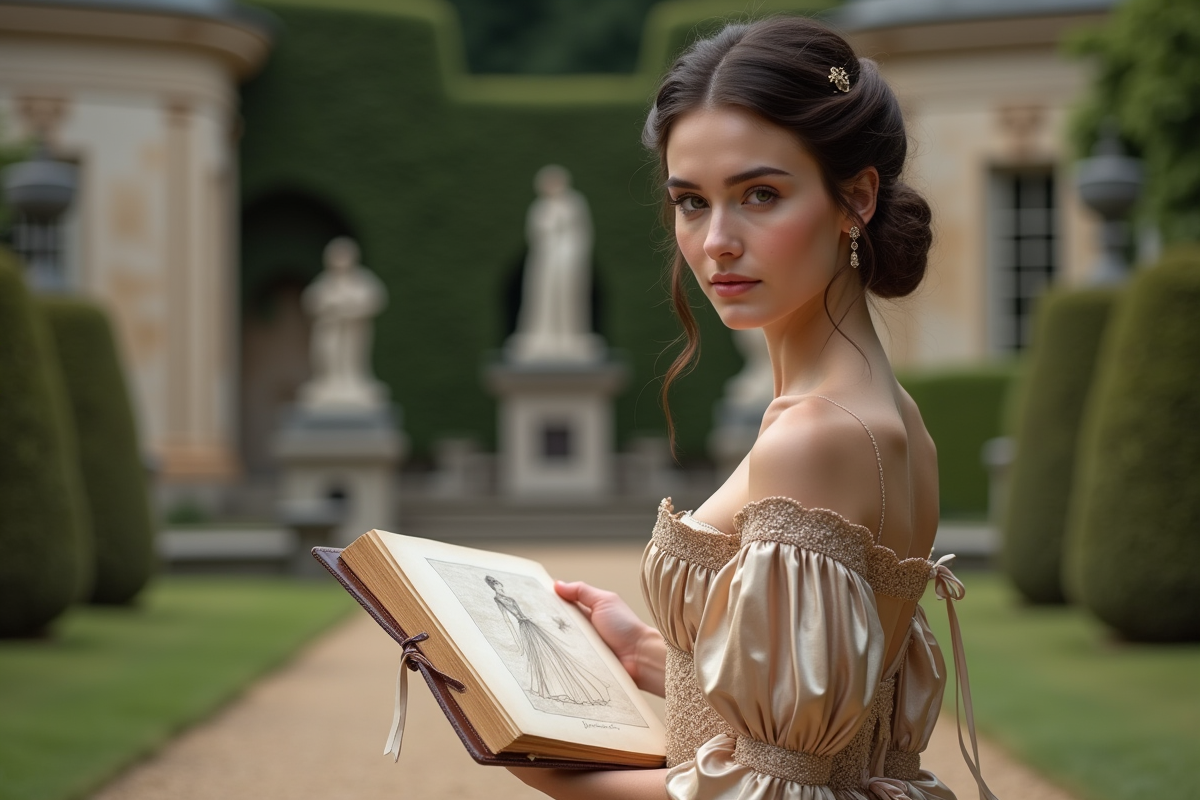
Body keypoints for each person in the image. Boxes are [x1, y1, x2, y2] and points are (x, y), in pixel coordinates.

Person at [508, 15, 998, 800]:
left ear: (857, 198)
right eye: (692, 202)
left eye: (760, 194)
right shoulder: (890, 416)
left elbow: (778, 789)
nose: (717, 241)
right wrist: (639, 649)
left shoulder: (815, 435)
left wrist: (556, 773)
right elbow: (821, 709)